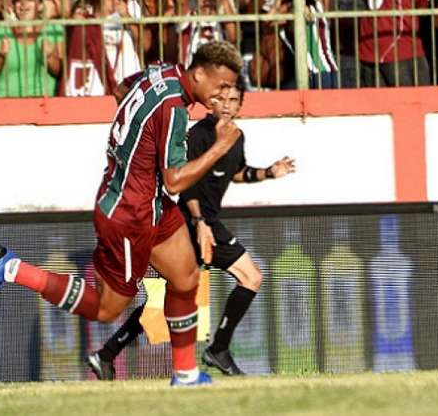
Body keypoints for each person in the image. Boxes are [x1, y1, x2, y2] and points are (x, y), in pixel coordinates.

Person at [0, 41, 243, 387]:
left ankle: (185, 374)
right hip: (129, 214)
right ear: (198, 73)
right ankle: (11, 268)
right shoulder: (175, 108)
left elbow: (124, 87)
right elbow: (174, 180)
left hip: (150, 203)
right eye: (222, 84)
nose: (225, 93)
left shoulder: (163, 74)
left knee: (186, 277)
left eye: (230, 87)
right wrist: (220, 147)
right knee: (107, 310)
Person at [87, 81, 296, 380]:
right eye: (220, 98)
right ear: (210, 102)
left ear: (240, 106)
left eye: (233, 100)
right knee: (251, 276)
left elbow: (236, 173)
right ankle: (218, 350)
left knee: (161, 300)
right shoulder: (199, 134)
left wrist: (268, 173)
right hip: (191, 223)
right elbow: (184, 184)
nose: (226, 105)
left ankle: (105, 354)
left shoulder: (236, 137)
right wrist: (200, 224)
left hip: (204, 223)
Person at [62, 0, 148, 96]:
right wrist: (74, 25)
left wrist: (127, 17)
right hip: (96, 88)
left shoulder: (132, 5)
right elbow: (73, 49)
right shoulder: (85, 7)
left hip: (128, 84)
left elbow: (146, 45)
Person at [0, 0, 65, 97]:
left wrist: (49, 57)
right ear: (13, 5)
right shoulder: (0, 31)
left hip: (43, 104)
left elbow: (61, 72)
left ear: (39, 4)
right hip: (8, 104)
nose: (23, 4)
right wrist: (1, 56)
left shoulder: (53, 30)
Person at [356, 0, 432, 87]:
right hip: (400, 43)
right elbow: (423, 2)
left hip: (369, 43)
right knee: (417, 101)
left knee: (374, 102)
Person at [176, 0, 238, 68]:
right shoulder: (188, 18)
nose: (207, 0)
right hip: (190, 72)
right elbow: (181, 1)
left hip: (216, 72)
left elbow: (234, 38)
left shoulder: (222, 22)